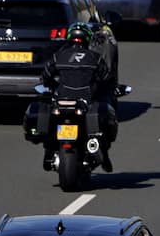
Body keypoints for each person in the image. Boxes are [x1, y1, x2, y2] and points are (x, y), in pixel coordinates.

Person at [38, 22, 118, 172]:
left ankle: (48, 151)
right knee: (105, 117)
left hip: (61, 101)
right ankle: (103, 154)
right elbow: (107, 78)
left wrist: (52, 86)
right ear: (87, 38)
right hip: (86, 102)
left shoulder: (58, 56)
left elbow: (46, 76)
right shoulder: (95, 58)